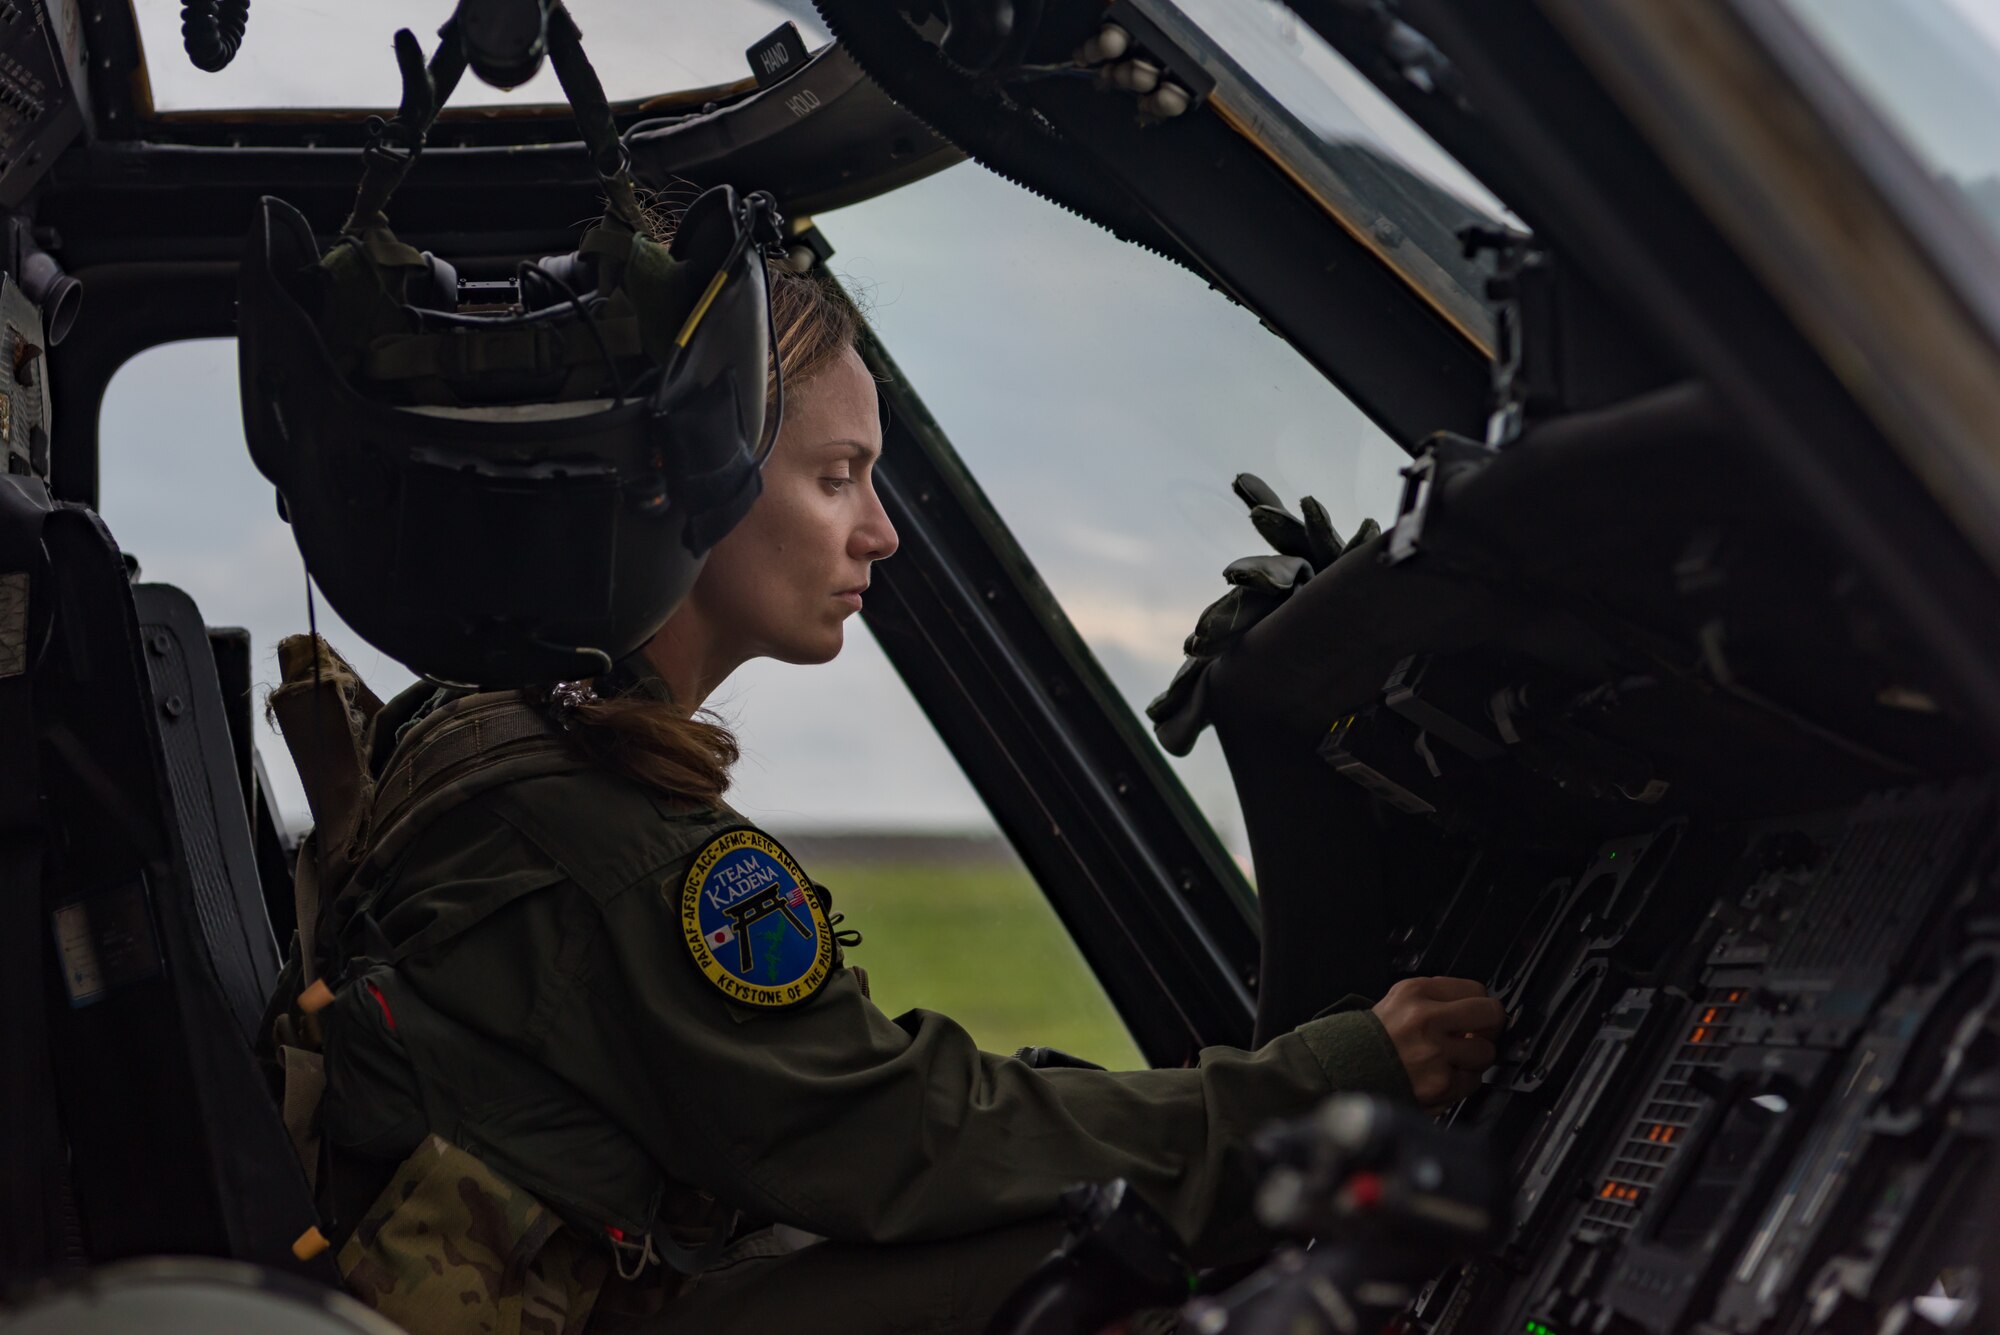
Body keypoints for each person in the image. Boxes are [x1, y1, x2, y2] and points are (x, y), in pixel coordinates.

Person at [305, 258, 1505, 1335]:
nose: (879, 533)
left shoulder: (487, 732)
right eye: (837, 478)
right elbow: (903, 1143)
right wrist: (1330, 1075)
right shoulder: (615, 842)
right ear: (678, 486)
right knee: (1087, 1245)